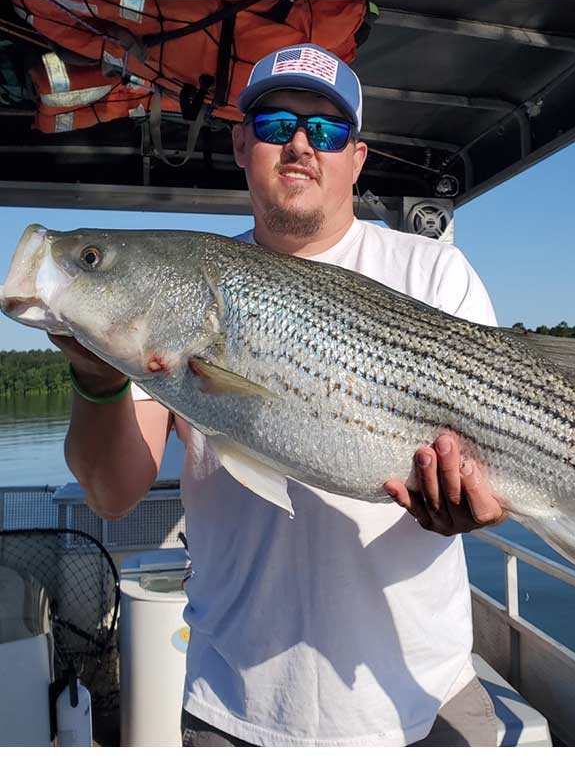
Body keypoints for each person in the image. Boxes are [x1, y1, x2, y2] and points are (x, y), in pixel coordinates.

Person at [51, 43, 506, 747]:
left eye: (325, 131)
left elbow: (502, 461)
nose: (300, 144)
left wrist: (479, 507)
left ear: (355, 157)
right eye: (275, 125)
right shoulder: (181, 286)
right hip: (234, 708)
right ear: (241, 143)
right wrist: (99, 377)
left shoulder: (434, 272)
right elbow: (113, 495)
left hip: (422, 700)